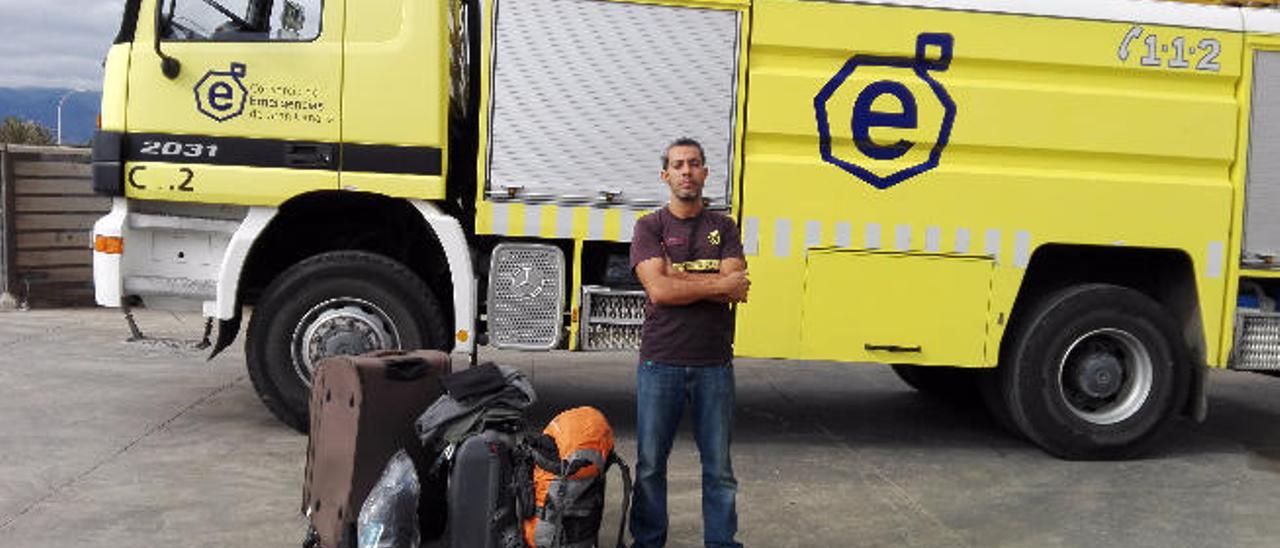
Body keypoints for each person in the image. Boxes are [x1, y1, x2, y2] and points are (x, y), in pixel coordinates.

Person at [628, 137, 750, 548]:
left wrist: (678, 276)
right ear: (666, 175)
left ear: (705, 172)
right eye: (678, 165)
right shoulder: (650, 226)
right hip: (660, 363)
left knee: (718, 468)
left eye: (694, 163)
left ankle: (721, 543)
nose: (686, 171)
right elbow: (659, 291)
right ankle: (649, 542)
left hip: (714, 365)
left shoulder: (724, 227)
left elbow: (738, 290)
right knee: (649, 466)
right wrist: (715, 281)